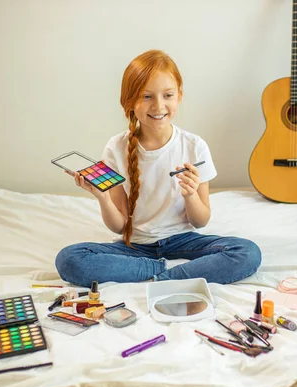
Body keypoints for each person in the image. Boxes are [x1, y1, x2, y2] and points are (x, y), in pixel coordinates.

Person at [55, 49, 262, 287]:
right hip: (134, 247)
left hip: (183, 241)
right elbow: (119, 226)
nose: (159, 105)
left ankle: (157, 276)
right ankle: (168, 271)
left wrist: (191, 195)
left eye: (168, 95)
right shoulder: (116, 147)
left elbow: (201, 221)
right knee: (69, 259)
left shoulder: (195, 146)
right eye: (147, 96)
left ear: (179, 96)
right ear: (130, 101)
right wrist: (102, 198)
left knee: (247, 252)